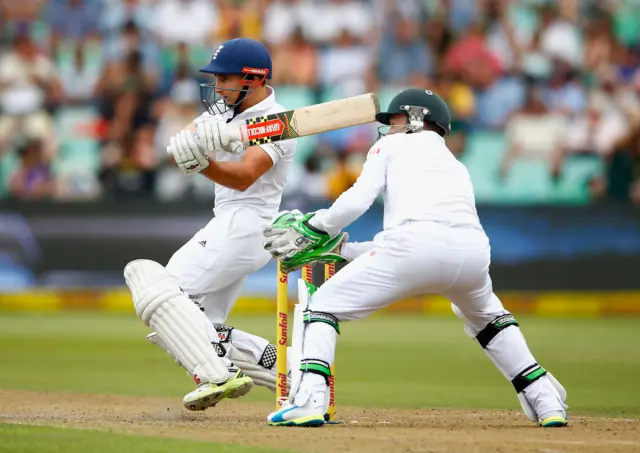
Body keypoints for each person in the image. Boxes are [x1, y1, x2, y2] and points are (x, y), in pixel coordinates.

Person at [263, 88, 568, 428]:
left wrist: (314, 225)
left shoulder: (391, 145)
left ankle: (309, 400)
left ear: (414, 118)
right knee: (486, 316)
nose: (388, 128)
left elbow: (358, 202)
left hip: (412, 248)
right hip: (472, 255)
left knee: (322, 306)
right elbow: (422, 239)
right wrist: (343, 249)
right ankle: (546, 399)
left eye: (393, 121)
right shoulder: (455, 165)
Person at [124, 38, 297, 412]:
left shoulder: (277, 121)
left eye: (225, 79)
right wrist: (196, 142)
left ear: (253, 78)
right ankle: (292, 373)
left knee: (160, 291)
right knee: (192, 329)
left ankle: (217, 375)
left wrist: (206, 164)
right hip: (232, 222)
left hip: (247, 221)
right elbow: (180, 141)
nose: (217, 87)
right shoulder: (225, 108)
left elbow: (245, 176)